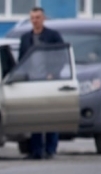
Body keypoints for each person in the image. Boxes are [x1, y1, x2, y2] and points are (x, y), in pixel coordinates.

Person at [19, 7, 64, 160]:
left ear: (43, 18)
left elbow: (61, 57)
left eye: (38, 17)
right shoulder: (26, 38)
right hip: (32, 83)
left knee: (50, 116)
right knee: (35, 117)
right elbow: (21, 60)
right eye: (32, 18)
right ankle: (36, 150)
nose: (35, 20)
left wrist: (53, 73)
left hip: (49, 82)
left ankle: (51, 149)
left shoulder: (53, 36)